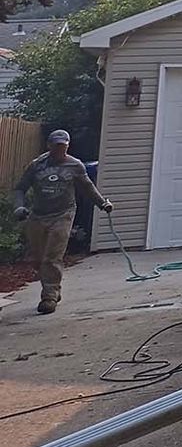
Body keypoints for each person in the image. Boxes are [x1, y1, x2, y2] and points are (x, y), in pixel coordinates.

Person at [12, 130, 110, 314]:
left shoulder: (75, 166)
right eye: (57, 146)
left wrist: (103, 204)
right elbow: (20, 189)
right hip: (38, 215)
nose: (60, 150)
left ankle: (49, 296)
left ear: (67, 146)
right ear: (49, 146)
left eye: (63, 146)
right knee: (39, 258)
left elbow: (88, 188)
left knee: (52, 256)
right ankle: (53, 290)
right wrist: (19, 207)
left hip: (63, 214)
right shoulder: (36, 165)